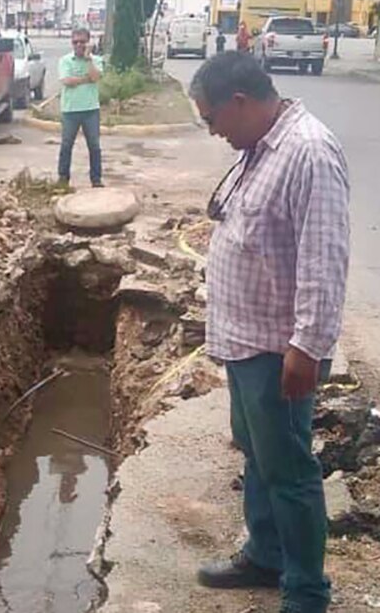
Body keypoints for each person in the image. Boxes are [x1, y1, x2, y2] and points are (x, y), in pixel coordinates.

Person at [189, 51, 349, 613]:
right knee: (257, 456)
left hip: (278, 348)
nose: (212, 132)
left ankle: (306, 593)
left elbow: (324, 259)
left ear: (240, 103)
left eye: (212, 120)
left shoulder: (308, 151)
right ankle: (265, 554)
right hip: (244, 339)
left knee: (289, 470)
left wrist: (307, 347)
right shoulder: (261, 146)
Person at [57, 27, 104, 188]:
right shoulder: (65, 60)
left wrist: (88, 59)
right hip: (70, 110)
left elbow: (96, 77)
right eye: (75, 42)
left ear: (88, 42)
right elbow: (67, 81)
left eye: (82, 42)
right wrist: (86, 79)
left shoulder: (96, 60)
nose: (78, 45)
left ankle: (96, 179)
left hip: (91, 109)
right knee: (66, 145)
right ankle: (63, 178)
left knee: (94, 146)